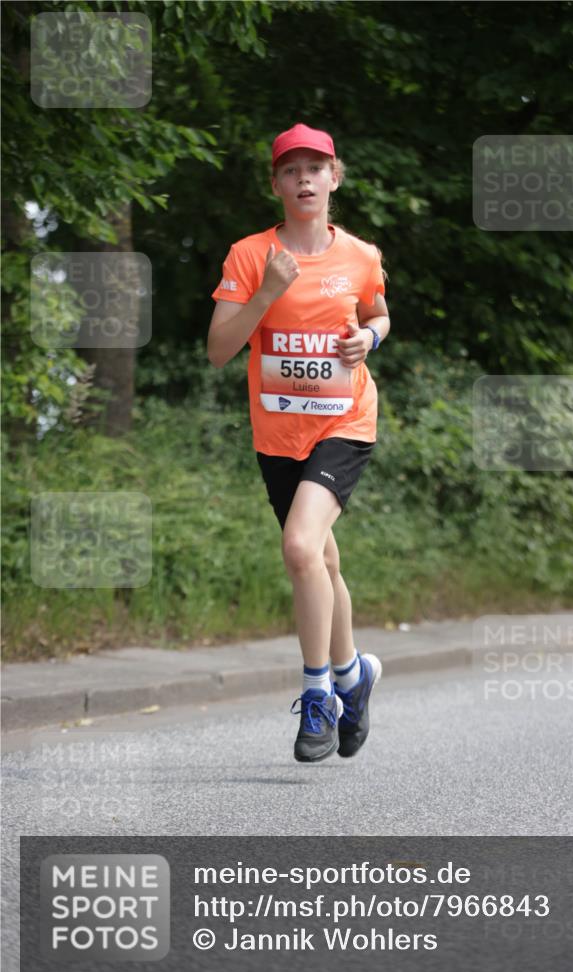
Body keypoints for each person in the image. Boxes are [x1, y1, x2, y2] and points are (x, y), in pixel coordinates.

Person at [207, 123, 390, 763]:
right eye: (292, 170)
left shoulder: (360, 256)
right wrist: (268, 293)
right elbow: (218, 350)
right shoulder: (250, 255)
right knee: (323, 564)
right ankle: (353, 676)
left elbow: (377, 313)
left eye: (316, 167)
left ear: (334, 177)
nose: (304, 178)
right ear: (276, 183)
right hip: (279, 434)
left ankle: (318, 697)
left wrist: (368, 341)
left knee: (299, 547)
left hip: (344, 423)